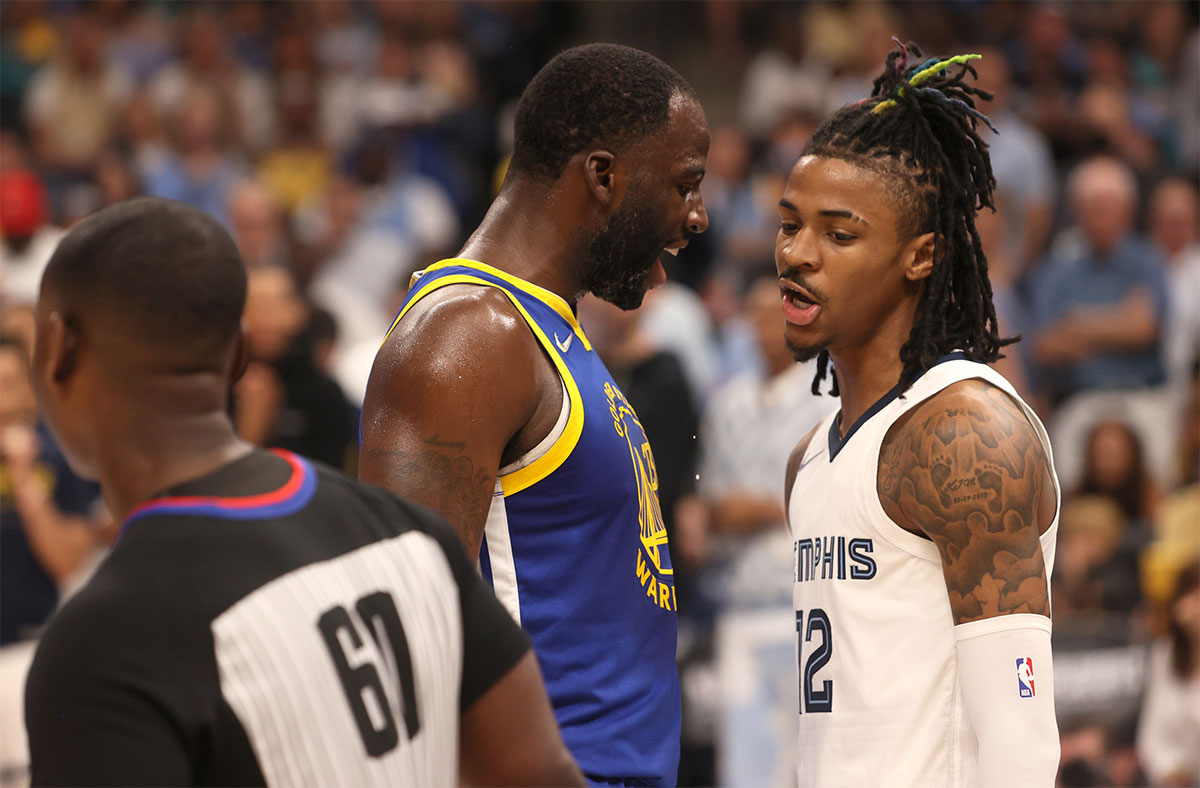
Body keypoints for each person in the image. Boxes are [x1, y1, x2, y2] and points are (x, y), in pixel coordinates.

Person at [23, 198, 582, 787]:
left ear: (59, 348)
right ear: (240, 354)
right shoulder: (405, 532)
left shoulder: (102, 647)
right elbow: (538, 772)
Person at [359, 43, 709, 786]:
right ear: (604, 176)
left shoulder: (548, 333)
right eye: (685, 184)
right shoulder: (468, 336)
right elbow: (399, 626)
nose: (697, 215)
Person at [778, 43, 1060, 786]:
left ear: (921, 256)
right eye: (789, 224)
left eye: (839, 234)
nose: (798, 254)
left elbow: (1022, 742)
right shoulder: (808, 457)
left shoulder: (964, 433)